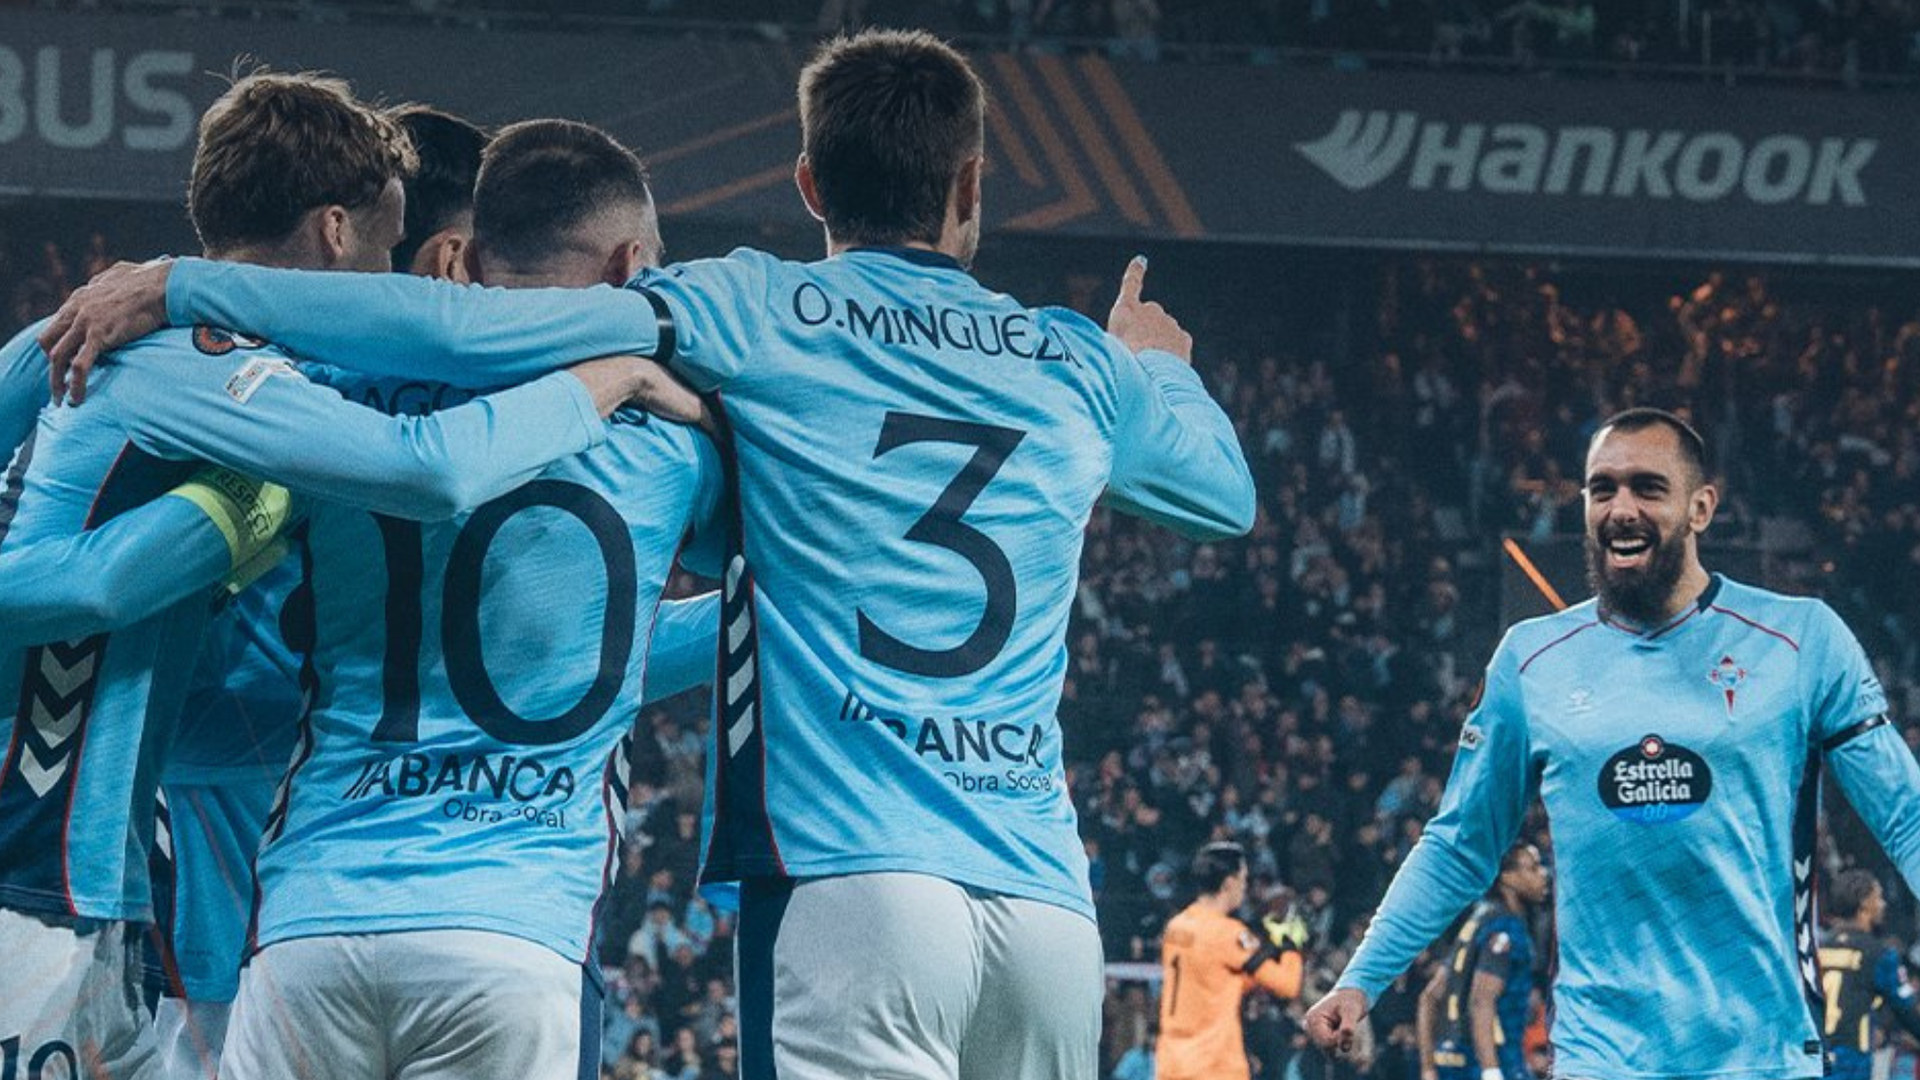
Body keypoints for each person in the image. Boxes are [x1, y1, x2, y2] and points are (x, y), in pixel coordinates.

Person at [41, 29, 1256, 1079]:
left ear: (809, 184)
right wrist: (1157, 367)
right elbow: (1224, 497)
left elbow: (454, 337)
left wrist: (193, 289)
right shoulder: (1070, 359)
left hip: (836, 882)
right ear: (973, 182)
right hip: (1041, 897)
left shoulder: (749, 311)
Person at [0, 72, 654, 1079]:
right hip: (42, 863)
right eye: (389, 253)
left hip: (108, 870)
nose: (394, 283)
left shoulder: (80, 333)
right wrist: (607, 380)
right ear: (339, 232)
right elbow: (425, 470)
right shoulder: (227, 376)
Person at [210, 116, 725, 1080]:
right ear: (629, 268)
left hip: (313, 923)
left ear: (471, 260)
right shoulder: (671, 440)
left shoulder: (337, 401)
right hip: (514, 930)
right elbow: (764, 579)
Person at [1302, 407, 1920, 1080]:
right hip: (1601, 1057)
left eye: (1648, 488)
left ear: (1701, 508)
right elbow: (1460, 843)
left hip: (1761, 1056)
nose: (1621, 509)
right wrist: (1361, 979)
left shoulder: (1801, 640)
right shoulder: (1531, 660)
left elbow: (1905, 814)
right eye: (1603, 489)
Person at [1155, 841, 1306, 1080]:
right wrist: (1290, 946)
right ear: (1228, 883)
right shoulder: (1228, 933)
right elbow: (1288, 985)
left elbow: (1212, 980)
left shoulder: (1176, 926)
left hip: (1172, 1060)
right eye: (1243, 879)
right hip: (1213, 1064)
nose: (1245, 887)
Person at [1415, 842, 1549, 1080]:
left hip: (1449, 1062)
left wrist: (1427, 1068)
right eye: (1533, 868)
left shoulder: (1476, 921)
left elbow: (1429, 997)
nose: (1543, 874)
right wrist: (1491, 1070)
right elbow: (1481, 999)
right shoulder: (1505, 927)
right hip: (1493, 1062)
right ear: (1507, 877)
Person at [1817, 869, 1920, 1080]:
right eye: (1878, 897)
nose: (1883, 904)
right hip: (1851, 1061)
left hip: (1814, 1057)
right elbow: (1908, 1010)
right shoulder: (1878, 954)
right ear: (1865, 904)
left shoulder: (1817, 949)